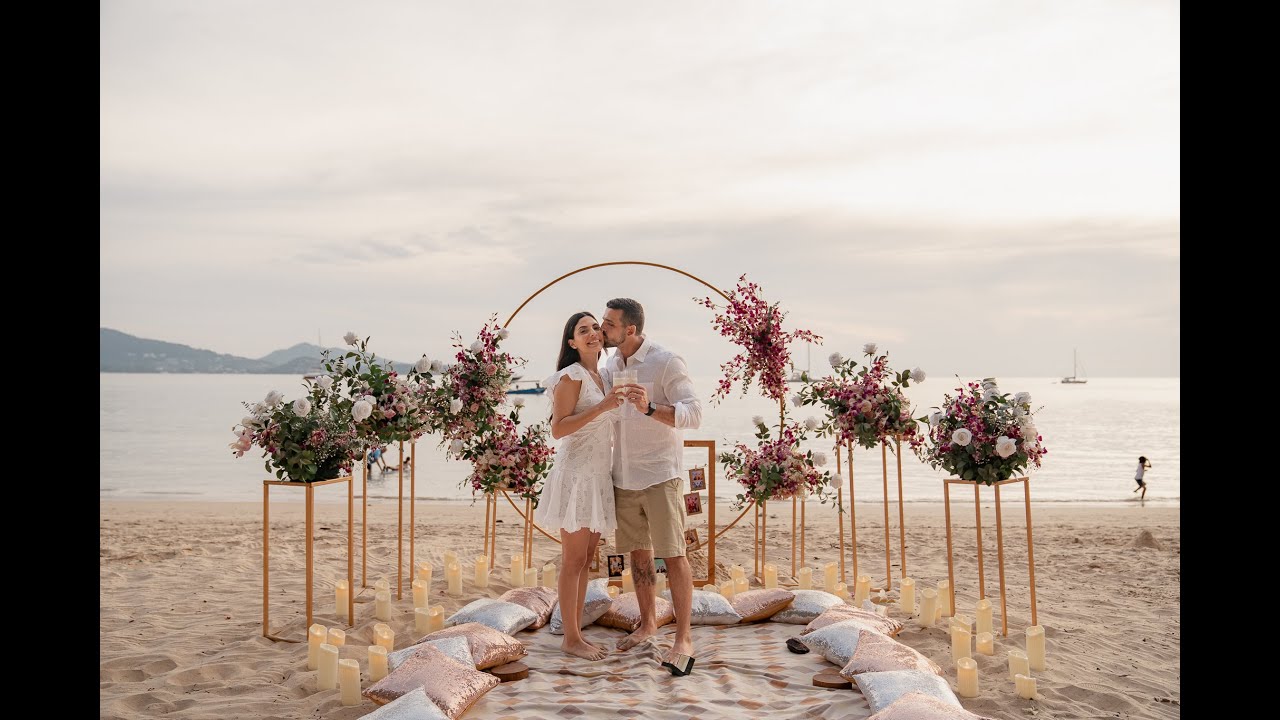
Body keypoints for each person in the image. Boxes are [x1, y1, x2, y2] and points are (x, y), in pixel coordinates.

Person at [601, 297, 703, 676]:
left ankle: (684, 637)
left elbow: (693, 414)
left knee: (674, 555)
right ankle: (647, 623)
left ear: (630, 329)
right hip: (623, 475)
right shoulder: (611, 364)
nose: (602, 328)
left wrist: (649, 408)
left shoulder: (666, 361)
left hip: (661, 475)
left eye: (609, 324)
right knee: (638, 556)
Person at [533, 311, 626, 661]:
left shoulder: (601, 376)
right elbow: (558, 429)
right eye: (582, 330)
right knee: (573, 560)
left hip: (598, 475)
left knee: (587, 559)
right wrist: (603, 406)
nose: (592, 334)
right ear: (572, 342)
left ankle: (576, 632)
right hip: (576, 476)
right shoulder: (570, 377)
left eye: (594, 329)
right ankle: (570, 638)